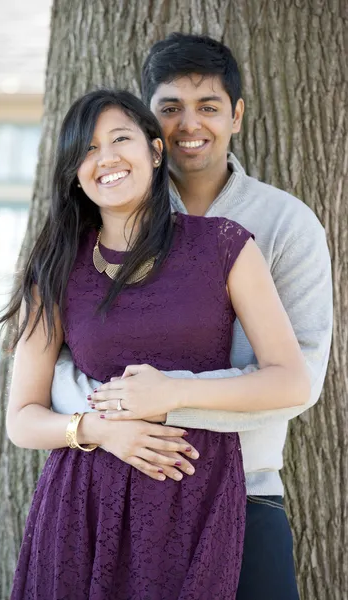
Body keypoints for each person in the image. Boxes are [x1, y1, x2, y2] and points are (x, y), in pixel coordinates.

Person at [0, 88, 309, 600]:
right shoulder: (56, 266)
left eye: (120, 139)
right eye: (87, 150)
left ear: (155, 152)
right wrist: (99, 430)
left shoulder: (224, 245)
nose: (107, 159)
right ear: (74, 171)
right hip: (83, 505)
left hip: (197, 496)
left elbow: (290, 380)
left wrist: (174, 393)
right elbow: (22, 419)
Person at [51, 34, 333, 599]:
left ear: (237, 116)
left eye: (208, 107)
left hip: (246, 486)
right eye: (169, 108)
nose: (188, 124)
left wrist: (171, 398)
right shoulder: (110, 214)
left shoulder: (286, 225)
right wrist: (112, 423)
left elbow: (300, 380)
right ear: (147, 122)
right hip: (115, 479)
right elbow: (54, 360)